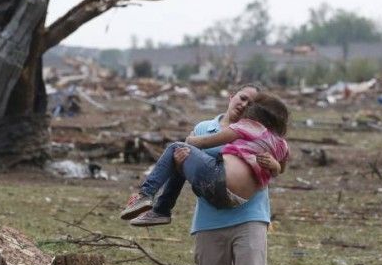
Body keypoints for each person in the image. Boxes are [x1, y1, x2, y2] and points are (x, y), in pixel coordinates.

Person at [133, 83, 284, 265]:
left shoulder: (263, 132)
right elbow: (193, 166)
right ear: (231, 97)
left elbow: (280, 161)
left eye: (251, 102)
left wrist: (276, 166)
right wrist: (182, 160)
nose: (243, 104)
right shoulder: (205, 128)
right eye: (241, 97)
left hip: (251, 215)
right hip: (210, 219)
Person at [119, 92, 289, 226]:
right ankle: (160, 210)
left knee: (176, 149)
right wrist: (276, 166)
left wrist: (191, 140)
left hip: (219, 182)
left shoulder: (248, 126)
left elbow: (207, 142)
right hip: (237, 200)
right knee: (182, 158)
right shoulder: (281, 144)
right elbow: (281, 168)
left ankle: (146, 196)